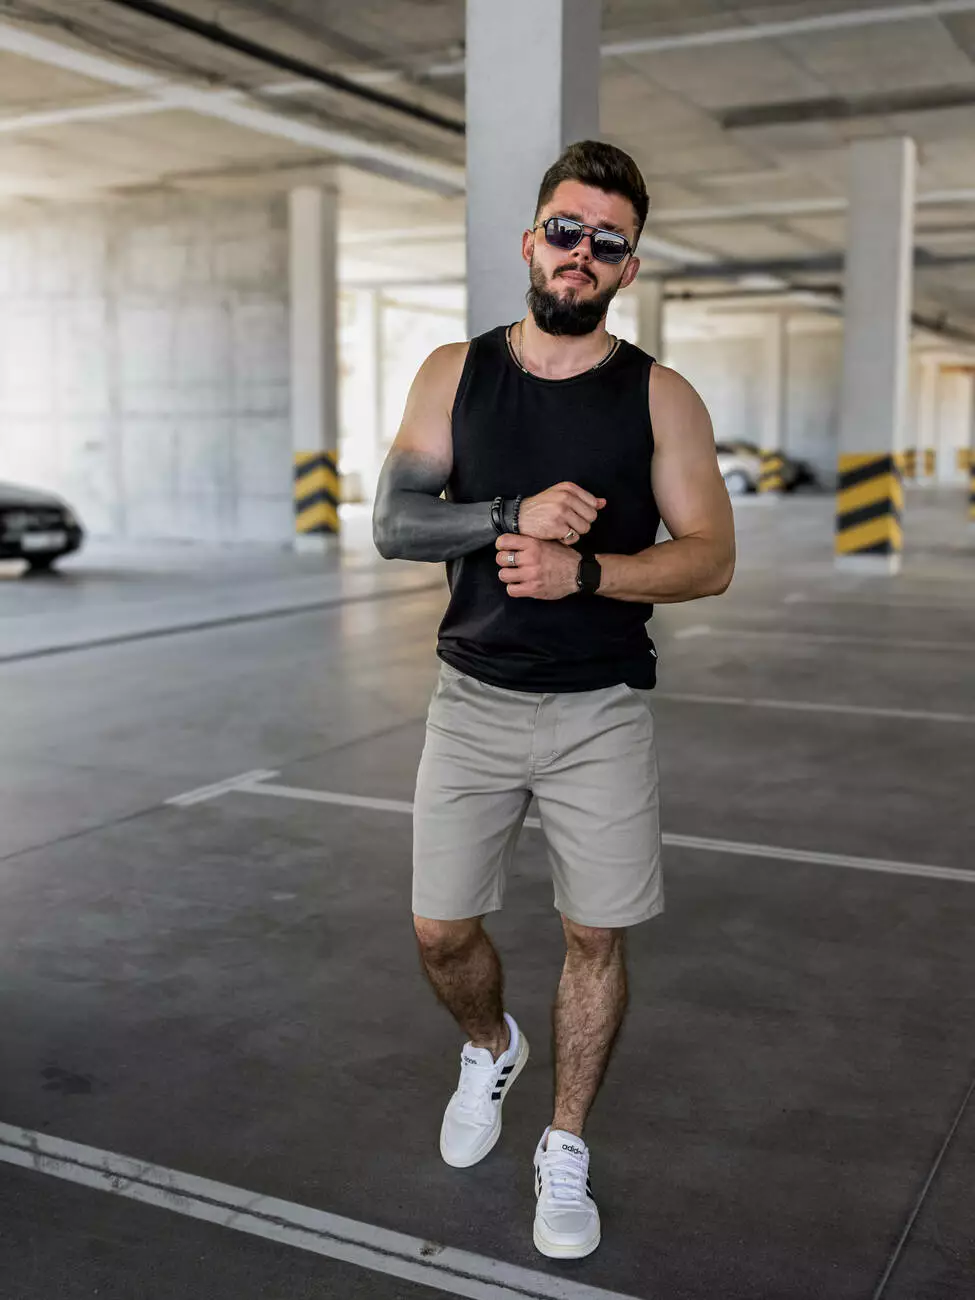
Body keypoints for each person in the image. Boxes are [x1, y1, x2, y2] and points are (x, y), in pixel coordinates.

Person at [373, 140, 735, 1260]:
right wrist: (509, 513)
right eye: (566, 231)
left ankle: (564, 1139)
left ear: (629, 267)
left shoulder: (660, 396)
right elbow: (394, 523)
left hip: (599, 710)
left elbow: (710, 557)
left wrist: (588, 572)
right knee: (441, 933)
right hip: (471, 700)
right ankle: (490, 1047)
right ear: (531, 242)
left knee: (594, 934)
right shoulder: (454, 372)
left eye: (607, 242)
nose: (582, 253)